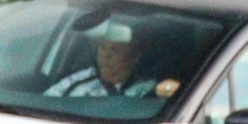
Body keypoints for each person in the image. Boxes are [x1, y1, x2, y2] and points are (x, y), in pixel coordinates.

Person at [47, 19, 175, 99]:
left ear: (135, 56)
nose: (106, 56)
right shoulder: (76, 81)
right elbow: (48, 102)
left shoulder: (152, 89)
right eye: (103, 47)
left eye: (115, 50)